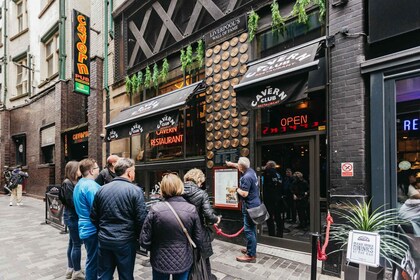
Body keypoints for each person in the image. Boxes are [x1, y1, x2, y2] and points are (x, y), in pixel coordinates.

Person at [90, 158, 147, 280]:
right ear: (129, 172)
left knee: (104, 275)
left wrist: (103, 230)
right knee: (126, 276)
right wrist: (136, 237)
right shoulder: (136, 191)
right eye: (134, 171)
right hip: (126, 241)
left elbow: (94, 216)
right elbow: (141, 219)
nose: (134, 174)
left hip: (105, 239)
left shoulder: (102, 190)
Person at [140, 173, 203, 280]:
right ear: (180, 186)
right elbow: (198, 239)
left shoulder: (155, 209)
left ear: (162, 188)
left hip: (160, 259)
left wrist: (155, 248)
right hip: (183, 258)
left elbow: (144, 240)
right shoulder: (191, 209)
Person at [182, 168, 221, 279]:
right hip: (198, 230)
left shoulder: (179, 190)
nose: (201, 184)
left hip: (182, 229)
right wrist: (216, 219)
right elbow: (208, 214)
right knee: (200, 256)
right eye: (201, 182)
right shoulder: (201, 193)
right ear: (198, 180)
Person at [226, 157, 260, 263]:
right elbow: (240, 165)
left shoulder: (246, 177)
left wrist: (236, 189)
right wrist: (231, 164)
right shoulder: (251, 171)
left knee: (249, 230)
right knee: (253, 229)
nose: (238, 166)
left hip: (249, 206)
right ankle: (251, 249)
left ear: (241, 167)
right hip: (255, 204)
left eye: (238, 166)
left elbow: (244, 193)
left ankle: (251, 255)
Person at [73, 158, 101, 280]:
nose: (99, 169)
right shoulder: (91, 186)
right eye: (97, 167)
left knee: (91, 259)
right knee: (94, 261)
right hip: (92, 229)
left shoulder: (79, 184)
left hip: (85, 228)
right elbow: (97, 210)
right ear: (91, 171)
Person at [59, 161, 84, 280]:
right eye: (79, 168)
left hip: (73, 216)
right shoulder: (67, 183)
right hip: (72, 216)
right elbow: (71, 201)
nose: (80, 170)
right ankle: (77, 271)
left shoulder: (74, 182)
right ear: (73, 170)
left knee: (72, 243)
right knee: (76, 245)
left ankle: (70, 268)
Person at [262, 161, 284, 237]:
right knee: (278, 216)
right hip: (278, 197)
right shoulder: (278, 174)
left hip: (270, 198)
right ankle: (280, 233)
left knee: (269, 216)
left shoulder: (268, 172)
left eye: (266, 165)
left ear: (269, 166)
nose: (265, 166)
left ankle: (271, 233)